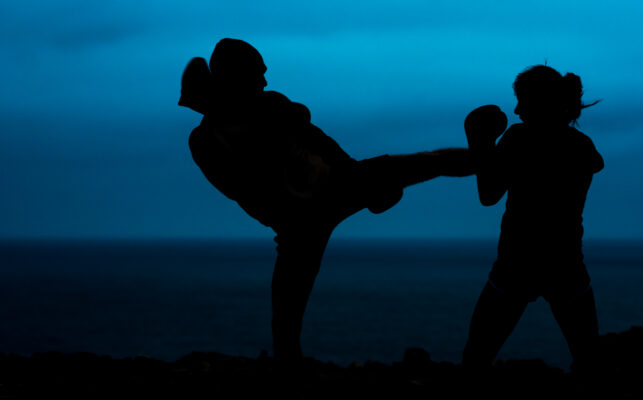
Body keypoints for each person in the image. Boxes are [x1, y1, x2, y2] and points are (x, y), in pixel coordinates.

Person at [178, 38, 474, 361]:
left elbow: (321, 141)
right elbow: (243, 189)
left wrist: (355, 177)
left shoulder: (270, 104)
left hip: (336, 185)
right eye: (257, 74)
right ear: (235, 76)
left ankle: (491, 160)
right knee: (287, 312)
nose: (265, 81)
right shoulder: (208, 139)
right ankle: (289, 369)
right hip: (297, 221)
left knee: (427, 162)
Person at [461, 65, 603, 371]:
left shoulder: (518, 139)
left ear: (539, 102)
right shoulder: (581, 146)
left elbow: (488, 195)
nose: (516, 109)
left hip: (517, 262)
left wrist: (481, 143)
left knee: (477, 357)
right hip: (565, 262)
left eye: (522, 100)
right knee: (589, 359)